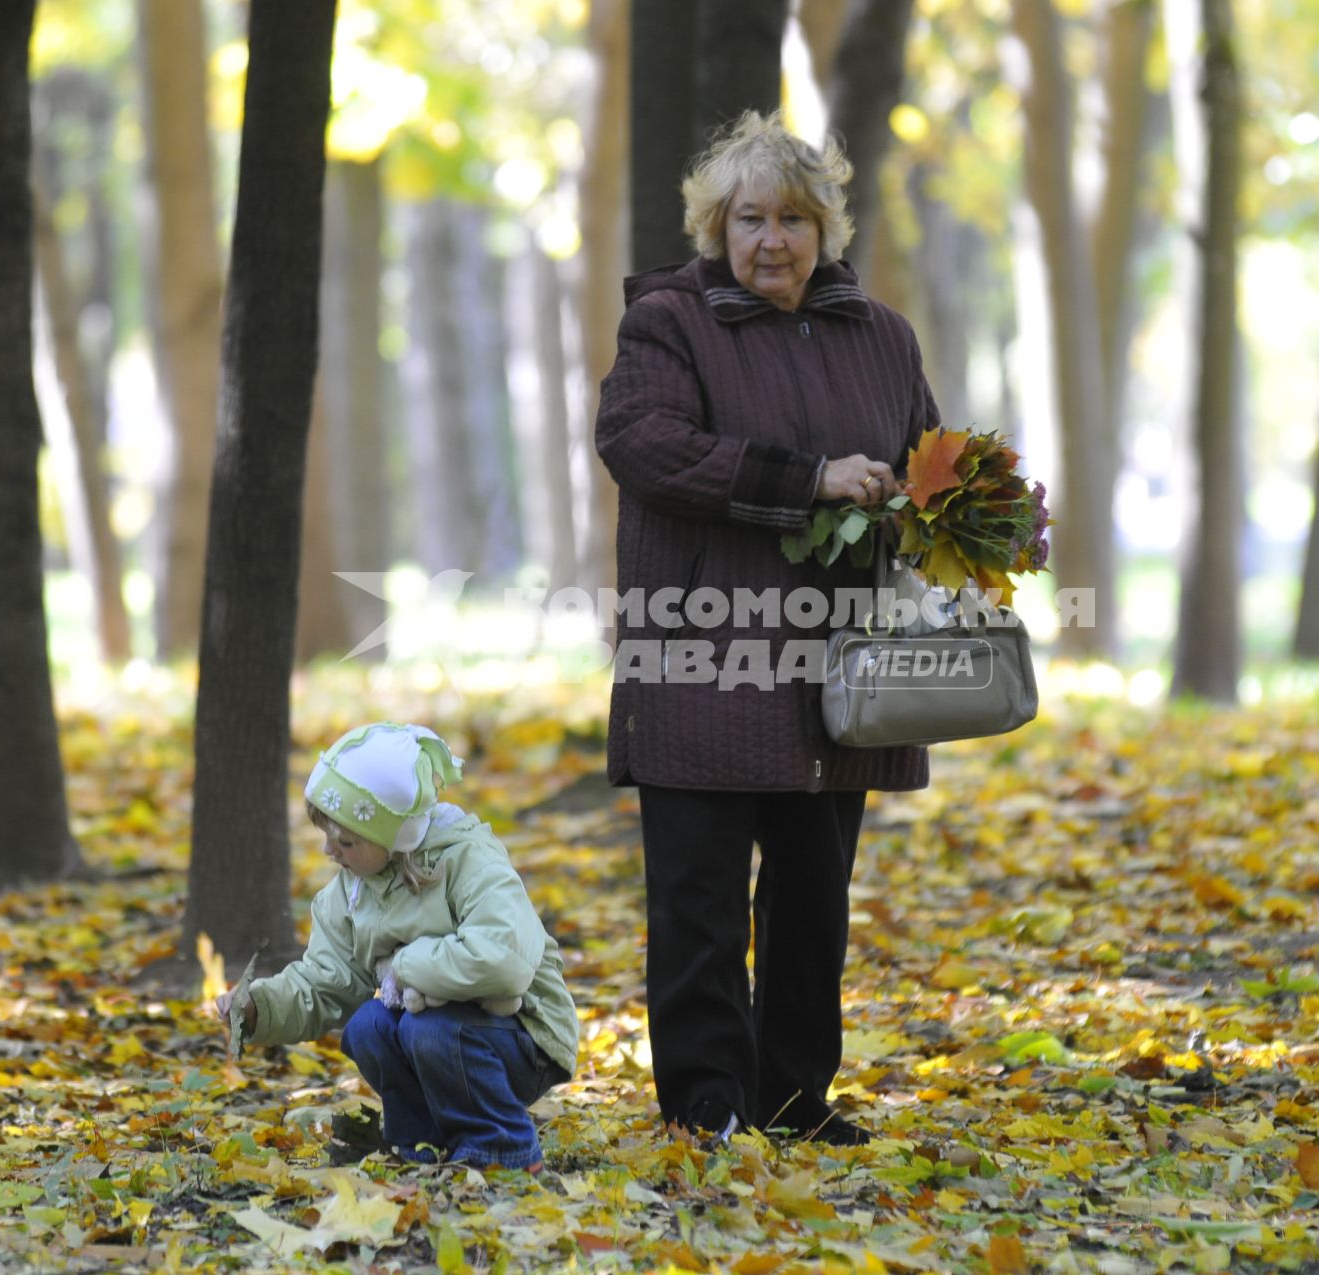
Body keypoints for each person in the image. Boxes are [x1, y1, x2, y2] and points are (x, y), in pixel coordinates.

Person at [593, 111, 940, 1146]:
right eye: (750, 218)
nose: (772, 241)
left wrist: (970, 507)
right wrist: (807, 481)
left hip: (834, 669)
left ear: (826, 228)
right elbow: (643, 443)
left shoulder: (880, 336)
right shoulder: (669, 322)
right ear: (715, 226)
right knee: (697, 901)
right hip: (701, 652)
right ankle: (708, 1105)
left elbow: (924, 449)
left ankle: (795, 1100)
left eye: (793, 218)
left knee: (813, 904)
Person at [214, 722, 579, 1172]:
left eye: (346, 840)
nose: (330, 851)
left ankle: (501, 1147)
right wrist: (259, 1008)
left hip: (525, 1037)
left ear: (395, 836)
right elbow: (326, 984)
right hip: (446, 1036)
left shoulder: (466, 859)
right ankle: (419, 1144)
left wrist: (404, 966)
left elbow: (503, 959)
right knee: (369, 1025)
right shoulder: (348, 893)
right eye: (326, 835)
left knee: (428, 1029)